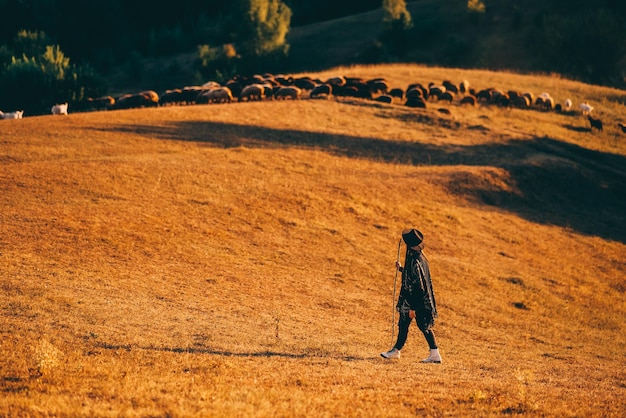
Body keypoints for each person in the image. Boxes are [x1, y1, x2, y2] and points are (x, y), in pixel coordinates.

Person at [381, 228, 441, 363]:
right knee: (416, 325)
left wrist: (413, 308)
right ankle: (433, 353)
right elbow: (413, 277)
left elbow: (419, 287)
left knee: (413, 325)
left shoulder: (415, 261)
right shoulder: (419, 259)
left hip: (413, 301)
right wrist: (402, 269)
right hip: (419, 301)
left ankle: (397, 351)